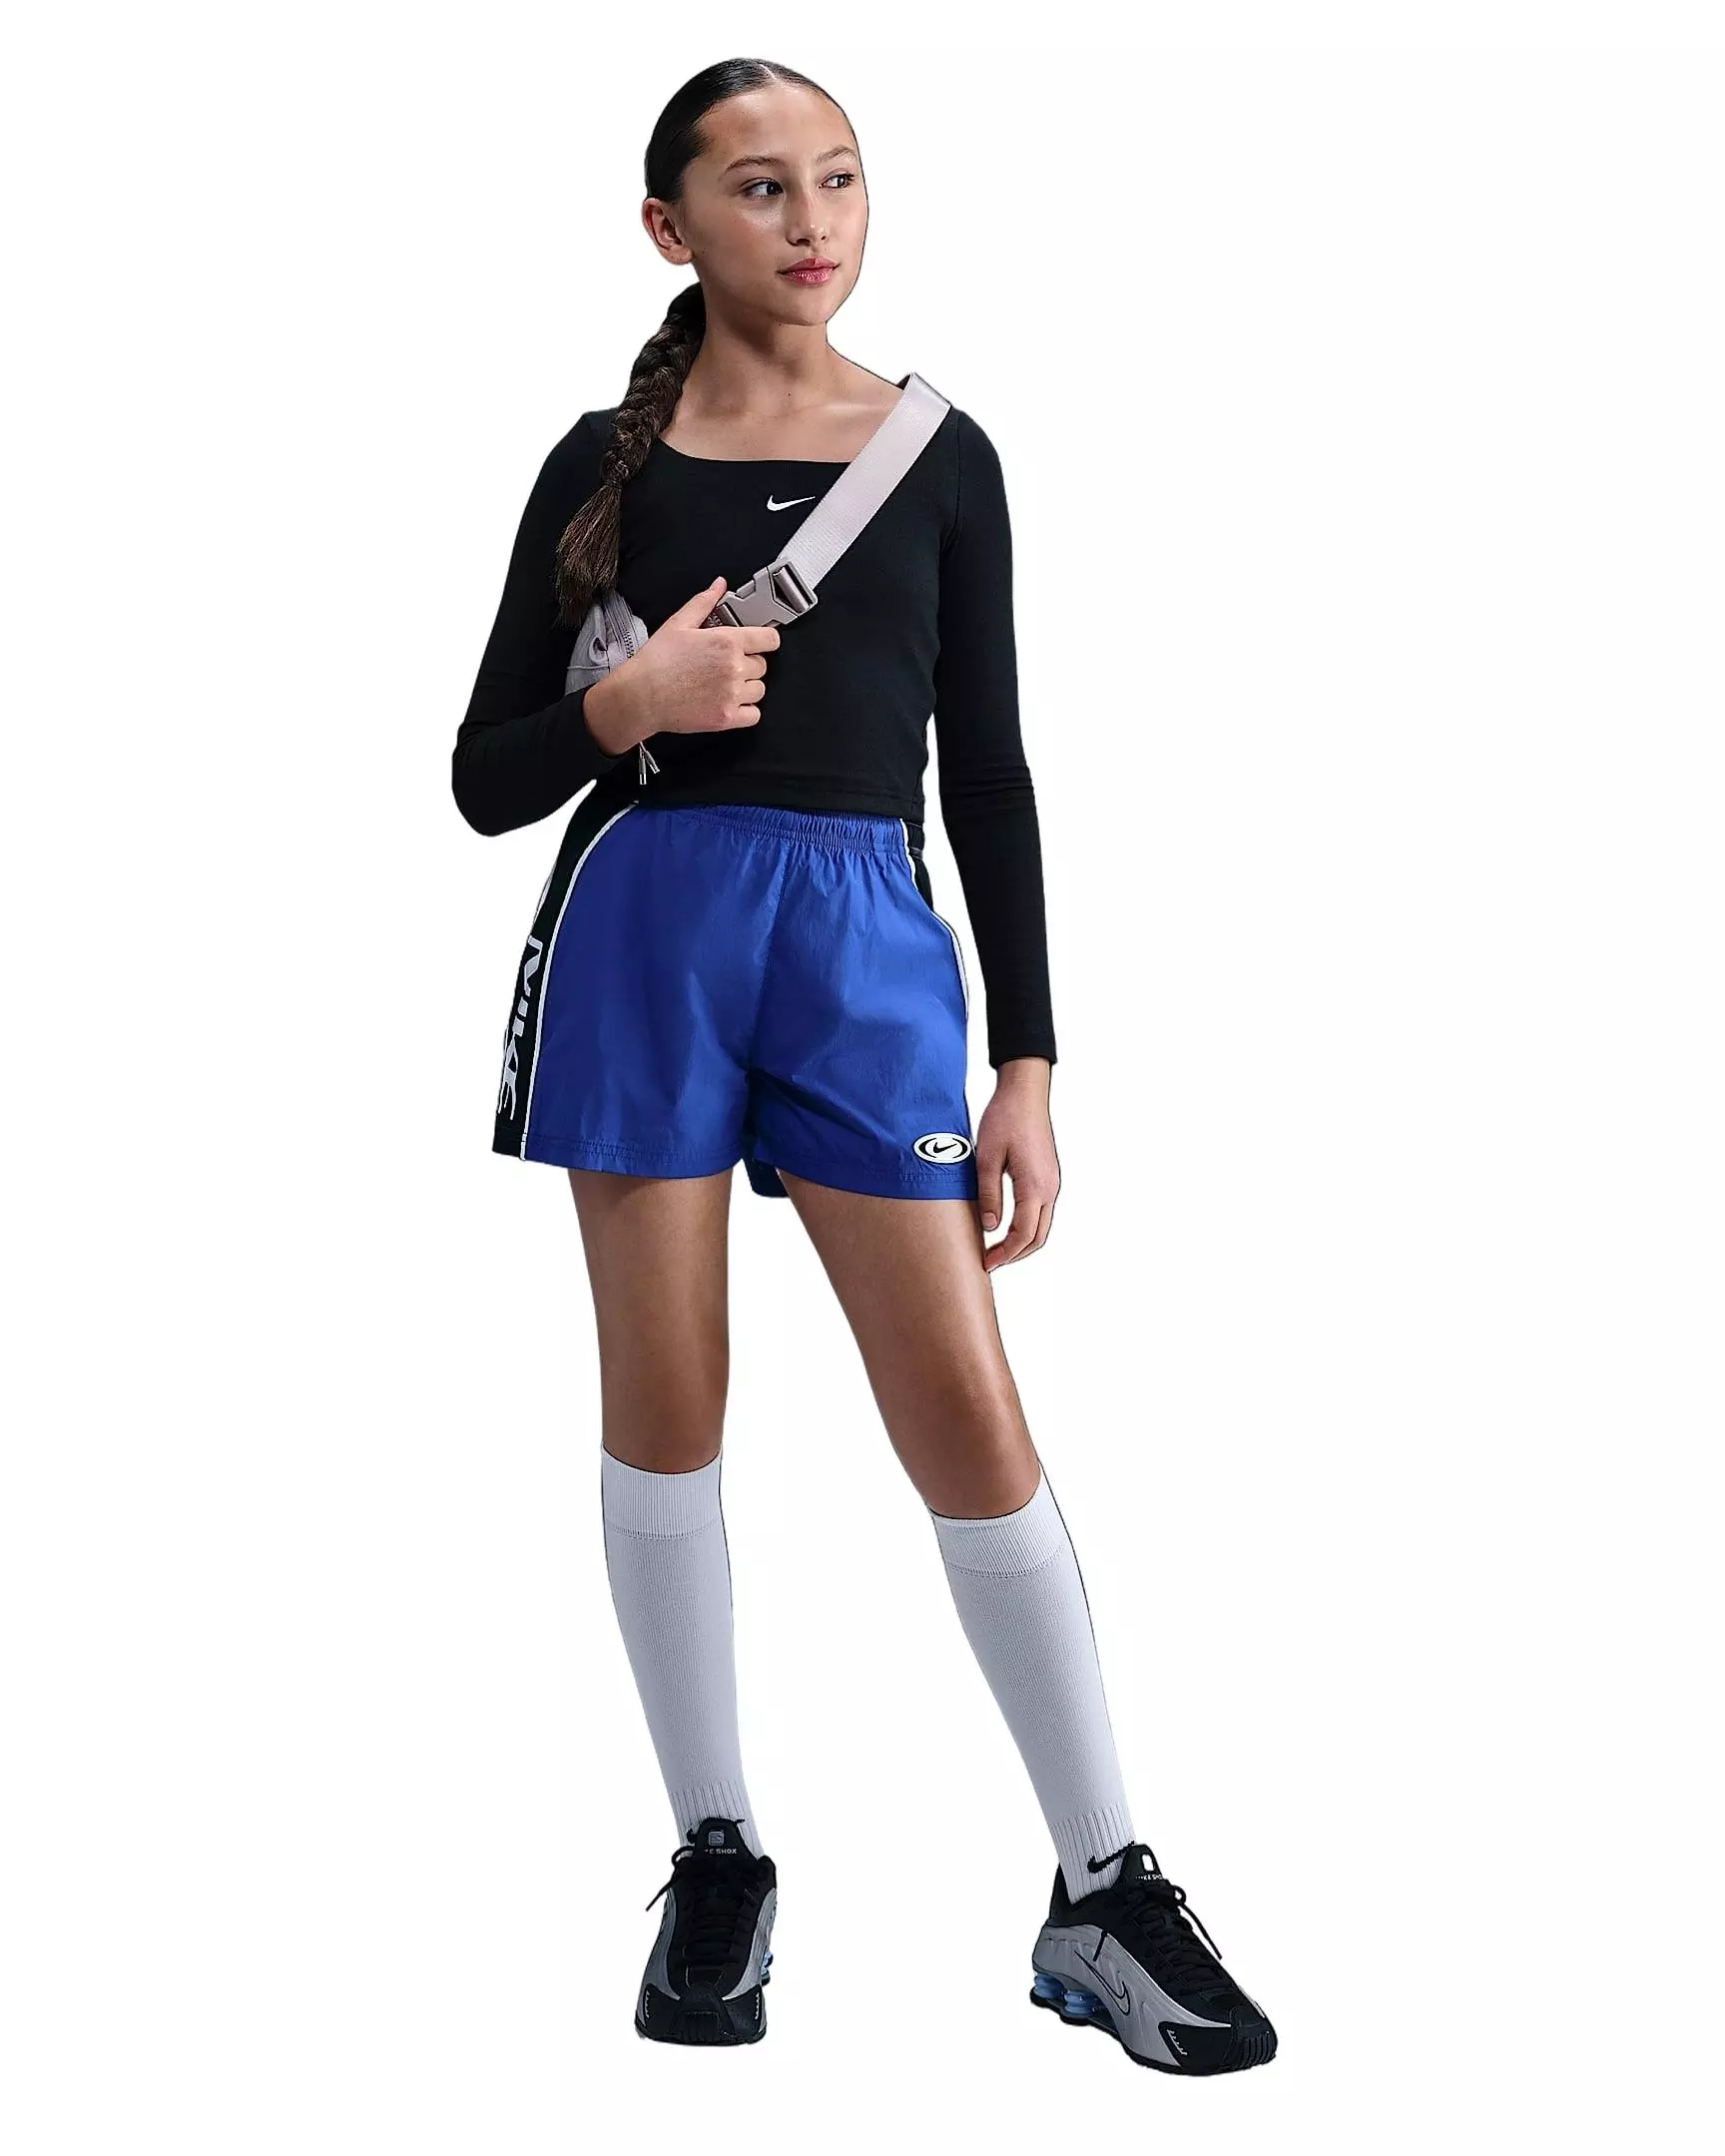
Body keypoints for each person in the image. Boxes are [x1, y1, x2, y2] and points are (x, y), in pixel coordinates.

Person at [451, 56, 1275, 2075]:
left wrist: (1031, 1063)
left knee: (968, 1415)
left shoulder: (940, 455)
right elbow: (484, 776)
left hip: (863, 951)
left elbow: (988, 769)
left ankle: (1102, 1884)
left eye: (837, 176)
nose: (811, 218)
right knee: (667, 1410)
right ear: (670, 228)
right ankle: (716, 1853)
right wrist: (630, 700)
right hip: (646, 936)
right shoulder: (597, 467)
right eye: (758, 186)